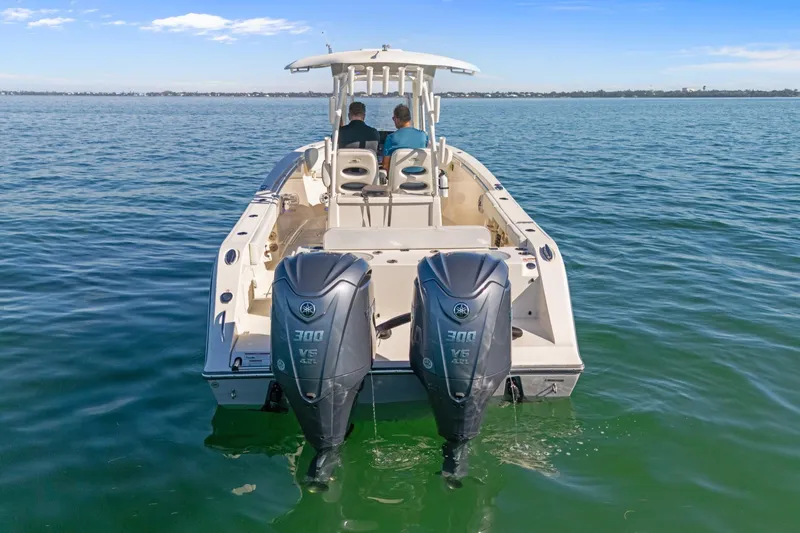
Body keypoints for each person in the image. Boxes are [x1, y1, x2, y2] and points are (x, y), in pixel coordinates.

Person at [382, 104, 429, 171]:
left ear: (397, 119)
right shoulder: (423, 135)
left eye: (393, 118)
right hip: (420, 179)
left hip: (398, 180)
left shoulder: (391, 138)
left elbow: (385, 166)